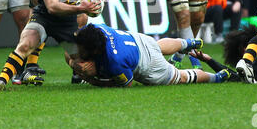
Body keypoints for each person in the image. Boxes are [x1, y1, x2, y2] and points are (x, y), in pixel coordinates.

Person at [69, 23, 231, 87]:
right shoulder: (93, 29)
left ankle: (215, 77)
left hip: (149, 64)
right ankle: (188, 43)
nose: (79, 52)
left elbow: (127, 84)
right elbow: (69, 49)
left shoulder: (114, 61)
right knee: (157, 45)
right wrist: (72, 62)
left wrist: (93, 80)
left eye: (83, 52)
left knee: (180, 76)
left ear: (96, 51)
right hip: (138, 39)